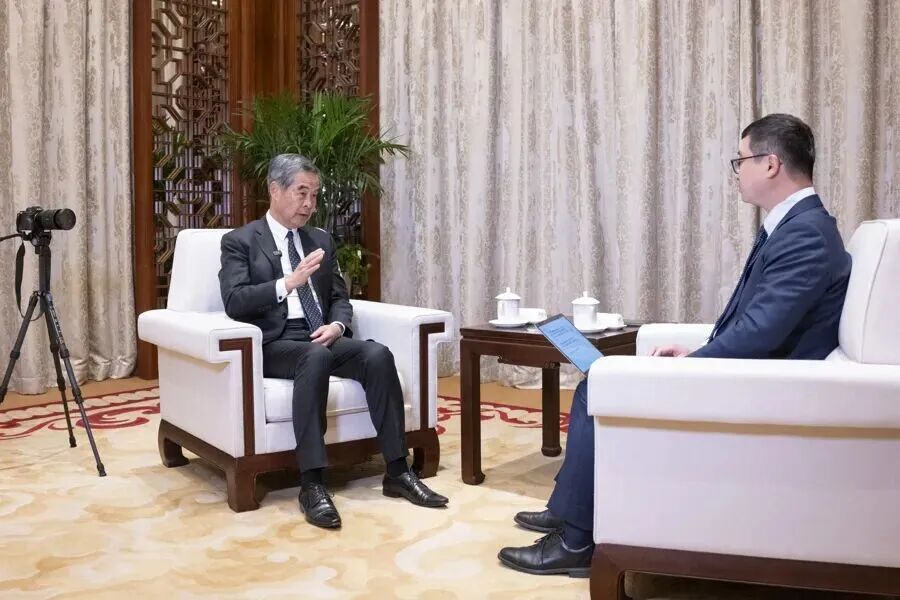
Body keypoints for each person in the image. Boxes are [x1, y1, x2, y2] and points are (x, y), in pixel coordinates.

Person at [498, 113, 852, 577]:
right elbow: (755, 324)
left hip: (762, 391)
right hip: (752, 375)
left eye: (740, 160)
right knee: (597, 381)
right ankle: (568, 509)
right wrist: (695, 353)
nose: (736, 173)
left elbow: (759, 332)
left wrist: (694, 364)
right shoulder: (797, 224)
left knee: (596, 385)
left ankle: (575, 541)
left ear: (770, 164)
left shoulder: (805, 233)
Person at [219, 153, 448, 530]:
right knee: (315, 358)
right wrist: (287, 283)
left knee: (376, 355)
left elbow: (340, 297)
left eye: (314, 195)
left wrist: (338, 326)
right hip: (274, 343)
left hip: (320, 334)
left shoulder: (320, 239)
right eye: (301, 192)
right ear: (275, 190)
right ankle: (312, 483)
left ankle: (397, 471)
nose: (309, 203)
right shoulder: (240, 241)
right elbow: (234, 300)